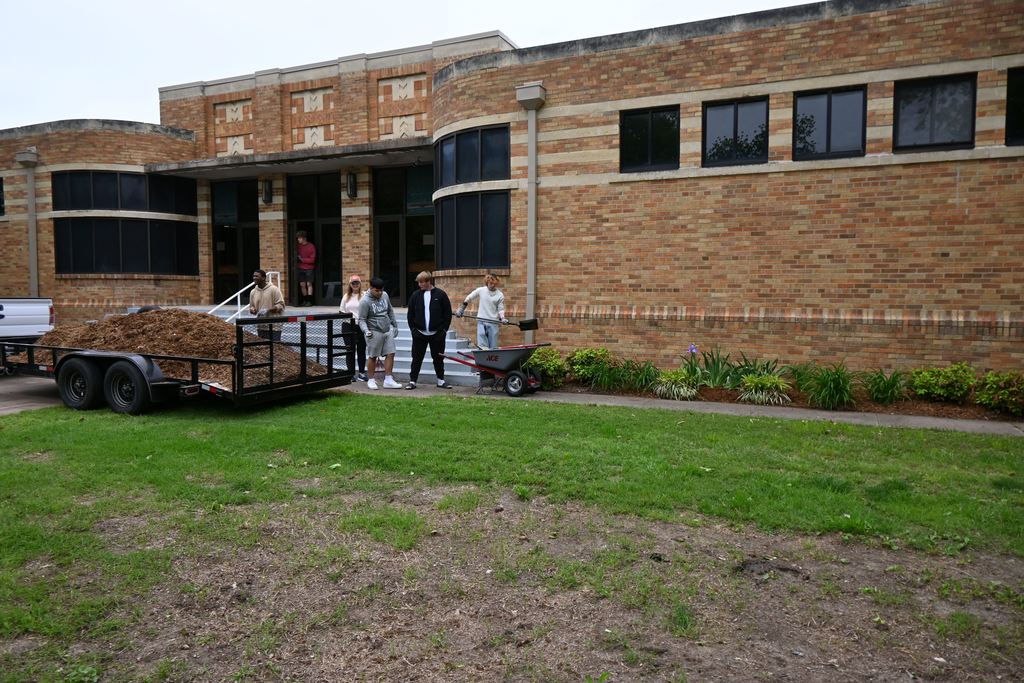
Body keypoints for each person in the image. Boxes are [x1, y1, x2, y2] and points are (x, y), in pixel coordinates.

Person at [405, 271, 452, 390]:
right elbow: (410, 314)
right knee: (416, 358)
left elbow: (447, 314)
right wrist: (413, 330)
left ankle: (441, 380)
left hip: (437, 334)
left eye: (421, 282)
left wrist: (444, 331)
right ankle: (412, 381)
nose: (419, 284)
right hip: (419, 333)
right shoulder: (415, 295)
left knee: (438, 358)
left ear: (428, 281)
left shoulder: (441, 294)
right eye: (418, 282)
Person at [357, 277, 402, 389]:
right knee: (373, 356)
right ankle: (371, 380)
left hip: (387, 330)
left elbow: (390, 310)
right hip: (373, 331)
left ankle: (388, 379)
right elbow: (361, 319)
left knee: (391, 353)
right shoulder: (364, 301)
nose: (380, 292)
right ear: (371, 288)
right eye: (377, 290)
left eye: (381, 290)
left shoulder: (385, 295)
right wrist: (366, 330)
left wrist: (395, 325)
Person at [457, 273, 507, 349]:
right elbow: (469, 298)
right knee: (482, 345)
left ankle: (492, 359)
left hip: (493, 322)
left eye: (494, 283)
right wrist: (461, 309)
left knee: (493, 346)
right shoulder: (481, 290)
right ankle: (483, 358)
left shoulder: (500, 295)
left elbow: (501, 308)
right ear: (487, 282)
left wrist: (503, 318)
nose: (492, 285)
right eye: (490, 283)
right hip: (481, 321)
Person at [340, 274, 367, 381]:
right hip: (348, 325)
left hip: (361, 325)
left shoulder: (365, 295)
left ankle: (361, 373)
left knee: (361, 349)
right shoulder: (346, 296)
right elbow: (341, 311)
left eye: (357, 282)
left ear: (360, 284)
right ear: (350, 284)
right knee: (350, 350)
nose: (355, 285)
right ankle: (350, 373)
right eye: (353, 283)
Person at [248, 269, 285, 341]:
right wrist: (252, 310)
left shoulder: (274, 289)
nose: (254, 278)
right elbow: (252, 307)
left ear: (263, 278)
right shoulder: (253, 292)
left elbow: (281, 305)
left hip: (274, 325)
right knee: (264, 349)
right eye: (253, 276)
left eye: (256, 276)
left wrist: (268, 310)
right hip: (261, 325)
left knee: (275, 347)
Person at [296, 230, 317, 306]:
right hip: (300, 268)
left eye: (299, 238)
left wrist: (301, 259)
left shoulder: (311, 246)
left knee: (309, 284)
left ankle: (310, 301)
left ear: (304, 238)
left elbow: (312, 260)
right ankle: (305, 300)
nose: (298, 240)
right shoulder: (298, 247)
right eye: (298, 238)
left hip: (309, 268)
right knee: (302, 285)